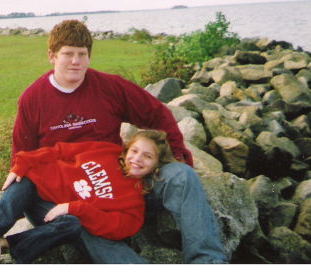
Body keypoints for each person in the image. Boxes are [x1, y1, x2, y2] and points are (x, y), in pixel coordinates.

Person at [12, 19, 228, 264]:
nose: (75, 61)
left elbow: (156, 113)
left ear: (90, 56)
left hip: (122, 185)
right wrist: (16, 208)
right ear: (52, 56)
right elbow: (22, 157)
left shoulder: (109, 87)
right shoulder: (33, 98)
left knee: (183, 176)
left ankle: (208, 261)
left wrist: (178, 155)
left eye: (82, 54)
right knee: (76, 223)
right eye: (68, 54)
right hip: (68, 196)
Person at [0, 130, 175, 264]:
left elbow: (111, 229)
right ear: (128, 148)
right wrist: (22, 164)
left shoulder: (134, 206)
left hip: (54, 210)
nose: (137, 159)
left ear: (156, 166)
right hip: (33, 183)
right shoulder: (108, 151)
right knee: (1, 219)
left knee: (72, 226)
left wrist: (73, 207)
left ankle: (1, 246)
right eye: (135, 151)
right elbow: (61, 151)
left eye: (147, 157)